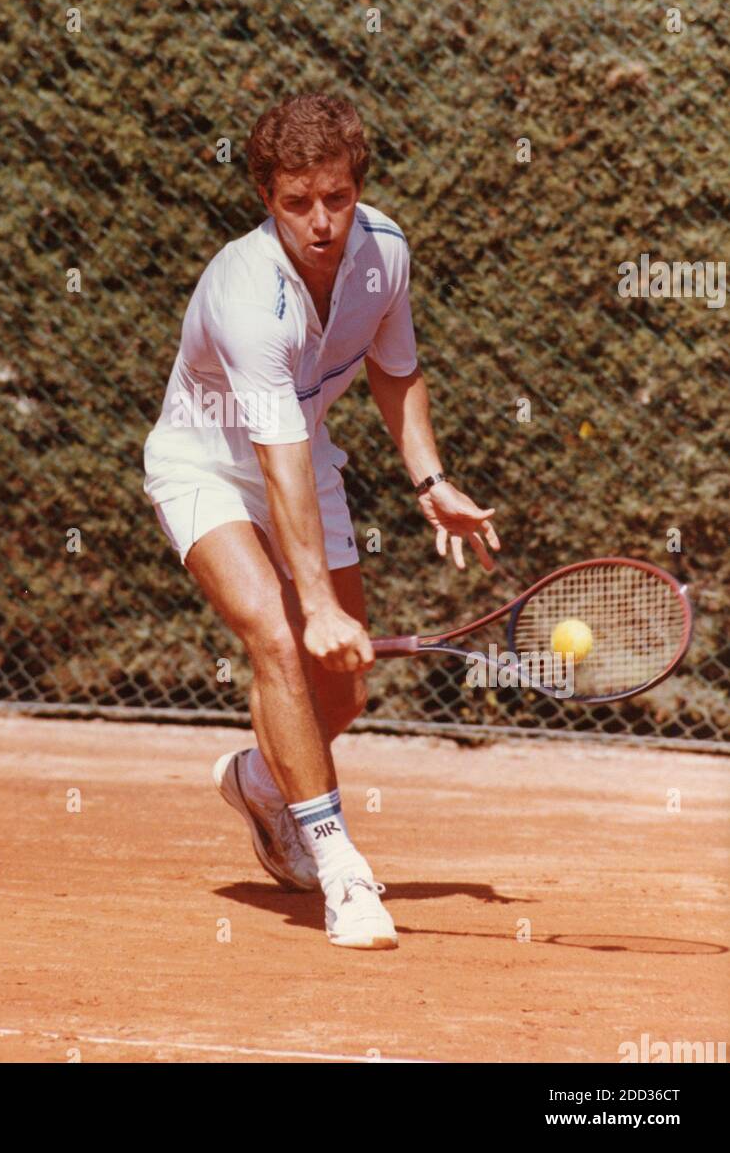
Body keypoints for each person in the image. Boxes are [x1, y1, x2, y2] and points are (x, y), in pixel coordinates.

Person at [143, 93, 499, 949]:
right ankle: (341, 870)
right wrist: (318, 606)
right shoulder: (246, 290)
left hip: (308, 461)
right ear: (268, 199)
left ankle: (262, 781)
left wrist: (430, 480)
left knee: (340, 689)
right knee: (277, 634)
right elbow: (277, 460)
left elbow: (395, 368)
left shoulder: (383, 253)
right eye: (298, 202)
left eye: (335, 197)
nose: (321, 220)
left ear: (354, 188)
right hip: (206, 468)